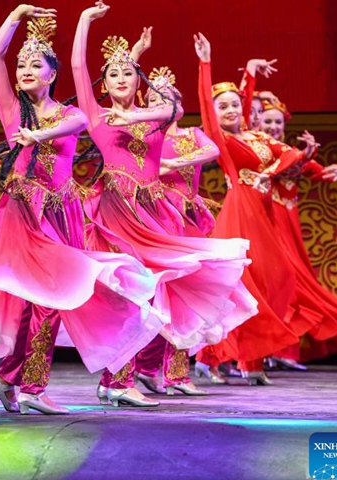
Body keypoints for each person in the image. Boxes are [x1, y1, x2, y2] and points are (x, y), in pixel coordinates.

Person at [0, 4, 164, 415]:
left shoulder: (68, 113)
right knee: (45, 301)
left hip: (63, 212)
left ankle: (9, 378)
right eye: (21, 66)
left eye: (35, 64)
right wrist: (14, 14)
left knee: (49, 302)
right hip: (22, 212)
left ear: (52, 74)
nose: (24, 70)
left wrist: (41, 133)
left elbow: (79, 124)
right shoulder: (13, 110)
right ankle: (29, 385)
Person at [71, 3, 256, 405]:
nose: (120, 79)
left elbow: (172, 108)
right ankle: (116, 381)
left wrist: (138, 88)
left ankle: (128, 377)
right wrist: (85, 21)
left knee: (156, 293)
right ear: (103, 86)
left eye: (128, 74)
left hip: (153, 212)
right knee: (126, 294)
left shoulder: (157, 115)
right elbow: (78, 68)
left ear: (139, 82)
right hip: (114, 212)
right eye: (112, 75)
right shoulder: (97, 115)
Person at [193, 34, 318, 385]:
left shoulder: (250, 134)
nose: (232, 110)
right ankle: (211, 356)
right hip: (240, 213)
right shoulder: (222, 138)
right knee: (243, 288)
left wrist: (250, 73)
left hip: (263, 215)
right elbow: (207, 103)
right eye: (224, 107)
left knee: (275, 281)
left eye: (236, 105)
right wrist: (206, 64)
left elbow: (248, 106)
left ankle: (251, 361)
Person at [132, 66, 222, 396]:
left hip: (186, 218)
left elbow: (213, 151)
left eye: (168, 98)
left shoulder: (192, 135)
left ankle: (176, 372)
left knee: (184, 296)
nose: (162, 103)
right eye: (155, 99)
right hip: (156, 217)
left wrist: (174, 165)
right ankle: (145, 367)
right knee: (159, 296)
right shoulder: (145, 137)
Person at [254, 96, 337, 367]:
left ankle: (282, 352)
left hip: (290, 228)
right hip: (269, 223)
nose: (273, 126)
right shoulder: (264, 153)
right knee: (282, 284)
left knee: (292, 286)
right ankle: (273, 352)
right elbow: (284, 167)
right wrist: (306, 156)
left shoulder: (291, 151)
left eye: (277, 122)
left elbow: (319, 172)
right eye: (267, 121)